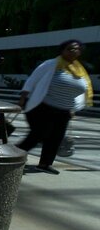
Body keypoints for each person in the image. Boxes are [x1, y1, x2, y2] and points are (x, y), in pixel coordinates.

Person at [16, 40, 93, 175]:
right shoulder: (51, 64)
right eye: (69, 48)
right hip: (43, 107)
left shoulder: (80, 69)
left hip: (64, 110)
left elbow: (79, 90)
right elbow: (32, 80)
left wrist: (73, 108)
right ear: (62, 50)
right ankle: (13, 155)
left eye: (77, 49)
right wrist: (23, 99)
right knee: (38, 134)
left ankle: (45, 164)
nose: (73, 51)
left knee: (56, 138)